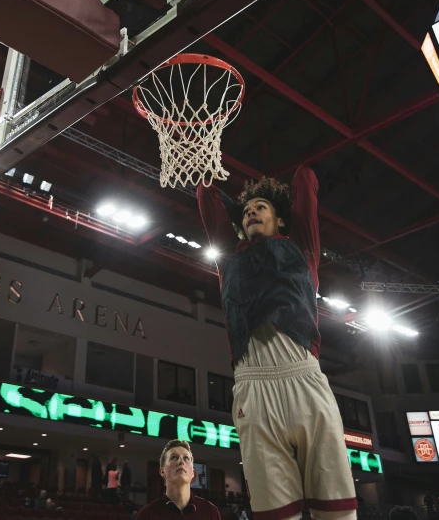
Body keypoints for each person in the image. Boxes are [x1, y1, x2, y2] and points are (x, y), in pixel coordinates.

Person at [197, 166, 358, 520]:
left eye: (261, 207)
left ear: (282, 221)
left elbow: (305, 181)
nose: (251, 210)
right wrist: (205, 167)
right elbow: (209, 204)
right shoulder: (230, 258)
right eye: (247, 210)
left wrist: (287, 181)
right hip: (254, 391)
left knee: (337, 514)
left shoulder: (304, 249)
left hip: (305, 382)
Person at [136, 440, 220, 520]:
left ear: (193, 473)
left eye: (186, 458)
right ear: (162, 471)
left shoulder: (210, 511)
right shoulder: (147, 514)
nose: (181, 461)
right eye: (174, 458)